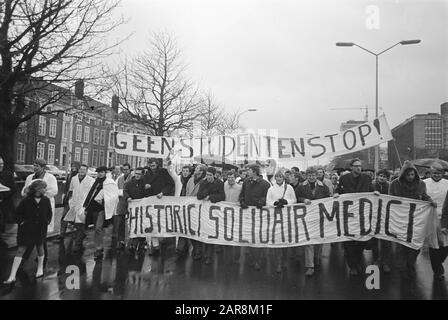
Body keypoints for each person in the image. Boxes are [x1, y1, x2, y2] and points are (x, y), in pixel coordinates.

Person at [389, 160, 436, 279]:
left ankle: (411, 263)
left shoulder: (421, 184)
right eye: (408, 174)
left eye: (412, 174)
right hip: (400, 220)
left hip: (416, 219)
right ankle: (403, 268)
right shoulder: (394, 184)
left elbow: (424, 195)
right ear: (403, 174)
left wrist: (430, 200)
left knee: (415, 243)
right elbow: (389, 200)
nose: (410, 177)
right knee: (401, 245)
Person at [3, 180, 52, 284]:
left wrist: (47, 222)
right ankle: (12, 276)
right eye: (43, 188)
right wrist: (21, 223)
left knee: (40, 247)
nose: (45, 189)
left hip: (40, 229)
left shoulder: (46, 200)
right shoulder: (26, 200)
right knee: (21, 250)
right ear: (37, 189)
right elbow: (18, 214)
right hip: (26, 229)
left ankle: (40, 269)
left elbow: (49, 213)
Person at [334, 158, 374, 276]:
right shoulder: (344, 178)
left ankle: (357, 262)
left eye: (360, 166)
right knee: (349, 242)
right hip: (349, 215)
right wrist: (336, 193)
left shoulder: (367, 178)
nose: (359, 168)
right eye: (356, 166)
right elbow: (339, 190)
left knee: (361, 240)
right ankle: (352, 266)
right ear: (351, 167)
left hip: (361, 215)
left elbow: (371, 191)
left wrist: (375, 193)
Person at [296, 167, 330, 276]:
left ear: (317, 176)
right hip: (307, 217)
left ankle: (317, 256)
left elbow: (328, 198)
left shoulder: (323, 186)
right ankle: (309, 266)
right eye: (309, 175)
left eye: (313, 175)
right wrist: (303, 200)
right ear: (306, 176)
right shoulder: (301, 186)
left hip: (320, 216)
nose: (311, 177)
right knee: (309, 242)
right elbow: (297, 197)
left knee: (319, 239)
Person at [82, 166, 119, 260]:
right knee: (96, 228)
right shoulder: (96, 182)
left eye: (102, 172)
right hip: (93, 208)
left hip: (103, 209)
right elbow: (91, 194)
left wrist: (104, 200)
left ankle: (99, 248)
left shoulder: (109, 183)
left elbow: (114, 195)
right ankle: (99, 246)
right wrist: (87, 206)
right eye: (98, 172)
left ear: (105, 172)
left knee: (98, 228)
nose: (100, 174)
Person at [239, 164, 271, 270]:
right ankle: (252, 258)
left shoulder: (265, 184)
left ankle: (259, 259)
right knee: (249, 235)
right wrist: (242, 201)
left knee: (258, 236)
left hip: (259, 214)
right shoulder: (246, 182)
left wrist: (261, 202)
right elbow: (242, 194)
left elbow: (268, 197)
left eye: (249, 170)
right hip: (248, 213)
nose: (247, 172)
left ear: (255, 171)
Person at [266, 170, 297, 273]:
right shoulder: (271, 189)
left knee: (285, 240)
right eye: (277, 177)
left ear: (283, 178)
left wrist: (286, 202)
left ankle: (284, 261)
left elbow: (294, 200)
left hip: (287, 217)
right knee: (277, 240)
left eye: (280, 177)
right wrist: (274, 203)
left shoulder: (289, 188)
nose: (279, 178)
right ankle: (278, 263)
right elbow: (268, 201)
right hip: (275, 216)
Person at [421, 164, 448, 280]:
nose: (436, 175)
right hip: (430, 216)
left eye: (439, 173)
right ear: (430, 173)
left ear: (443, 173)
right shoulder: (424, 183)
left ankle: (440, 260)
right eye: (434, 173)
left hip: (445, 216)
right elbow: (420, 196)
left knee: (445, 244)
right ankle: (437, 270)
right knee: (433, 244)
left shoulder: (447, 183)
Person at [143, 158, 175, 255]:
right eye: (150, 166)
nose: (152, 168)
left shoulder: (163, 172)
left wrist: (163, 192)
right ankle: (155, 245)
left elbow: (171, 184)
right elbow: (143, 188)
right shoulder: (146, 174)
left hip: (162, 200)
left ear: (157, 164)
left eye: (153, 165)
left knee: (163, 221)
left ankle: (166, 241)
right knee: (152, 222)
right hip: (152, 201)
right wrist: (146, 187)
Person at [176, 164, 207, 258]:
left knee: (195, 229)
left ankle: (197, 251)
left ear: (201, 171)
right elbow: (187, 192)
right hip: (188, 206)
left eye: (197, 168)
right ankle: (181, 248)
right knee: (184, 226)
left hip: (198, 208)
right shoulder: (191, 179)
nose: (195, 169)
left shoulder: (204, 181)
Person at [64, 164, 95, 254]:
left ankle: (77, 244)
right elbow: (70, 190)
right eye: (81, 169)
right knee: (73, 222)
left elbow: (92, 193)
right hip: (74, 203)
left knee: (81, 223)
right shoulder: (74, 179)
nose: (82, 171)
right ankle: (82, 235)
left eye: (84, 170)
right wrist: (70, 200)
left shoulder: (91, 180)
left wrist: (89, 205)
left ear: (87, 171)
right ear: (79, 170)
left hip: (84, 205)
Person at [197, 167, 225, 264]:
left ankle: (209, 256)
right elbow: (199, 196)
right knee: (204, 231)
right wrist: (206, 189)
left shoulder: (220, 184)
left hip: (214, 213)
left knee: (211, 233)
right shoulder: (203, 183)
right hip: (204, 212)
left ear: (214, 175)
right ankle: (203, 253)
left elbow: (222, 196)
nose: (208, 177)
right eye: (207, 175)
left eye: (210, 175)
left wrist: (210, 197)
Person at [370, 168, 392, 273]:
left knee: (386, 241)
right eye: (381, 176)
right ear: (377, 176)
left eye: (385, 176)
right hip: (374, 216)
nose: (382, 178)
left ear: (387, 178)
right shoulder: (371, 185)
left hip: (386, 217)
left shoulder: (390, 186)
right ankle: (375, 259)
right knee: (375, 240)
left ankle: (385, 262)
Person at [124, 167, 150, 252]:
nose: (137, 175)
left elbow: (148, 195)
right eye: (136, 173)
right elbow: (125, 191)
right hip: (133, 207)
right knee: (133, 225)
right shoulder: (129, 183)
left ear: (142, 175)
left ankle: (142, 242)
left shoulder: (145, 183)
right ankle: (134, 243)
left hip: (142, 208)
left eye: (139, 174)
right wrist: (128, 197)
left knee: (142, 225)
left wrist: (147, 189)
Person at [56, 161, 81, 243]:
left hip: (76, 200)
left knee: (74, 218)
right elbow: (67, 186)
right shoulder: (70, 175)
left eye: (75, 166)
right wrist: (64, 194)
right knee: (64, 216)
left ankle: (78, 233)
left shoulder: (79, 176)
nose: (73, 168)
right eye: (72, 166)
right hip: (68, 199)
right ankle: (61, 234)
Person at [224, 170, 243, 262]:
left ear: (235, 178)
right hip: (225, 213)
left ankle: (237, 256)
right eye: (229, 177)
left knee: (236, 234)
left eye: (232, 177)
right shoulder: (224, 186)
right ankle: (228, 255)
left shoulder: (240, 188)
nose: (230, 179)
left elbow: (242, 198)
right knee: (227, 234)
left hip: (236, 214)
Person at [115, 163, 133, 250]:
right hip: (122, 202)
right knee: (120, 222)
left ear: (130, 170)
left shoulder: (132, 178)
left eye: (127, 169)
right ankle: (121, 241)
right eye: (124, 170)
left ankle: (132, 240)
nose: (125, 171)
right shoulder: (120, 179)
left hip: (131, 201)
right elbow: (117, 189)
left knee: (132, 222)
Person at [0, 156, 16, 249]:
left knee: (2, 222)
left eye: (2, 164)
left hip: (4, 203)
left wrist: (2, 197)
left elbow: (13, 189)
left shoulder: (8, 175)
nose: (1, 166)